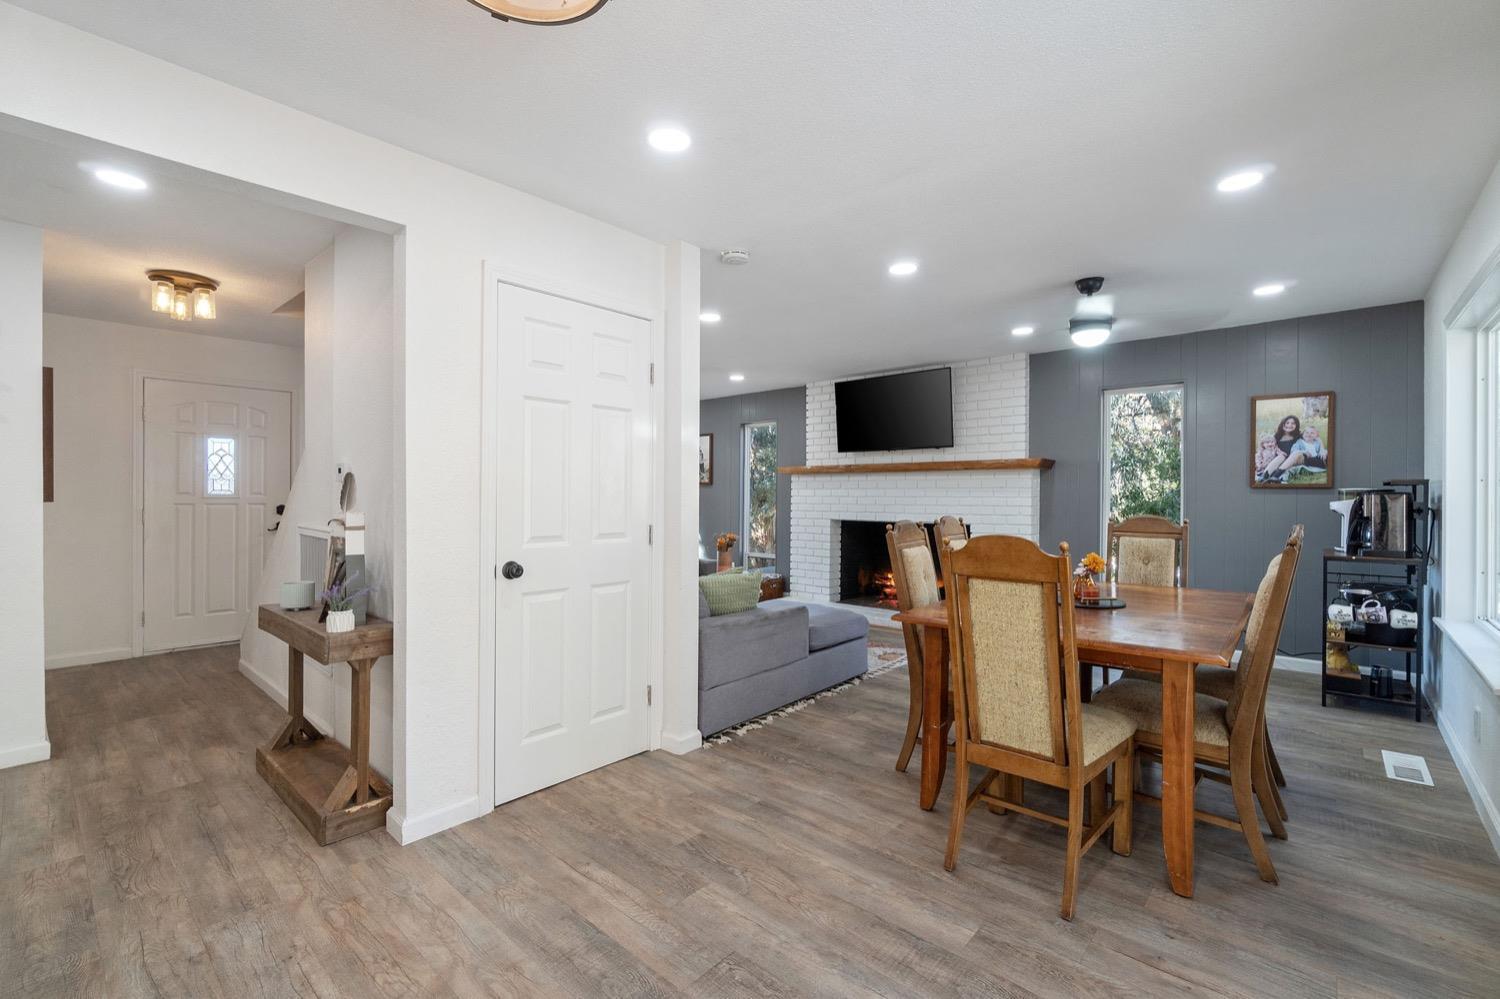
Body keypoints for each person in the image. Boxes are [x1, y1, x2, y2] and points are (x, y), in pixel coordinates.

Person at [1257, 414, 1327, 482]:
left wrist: (1322, 449)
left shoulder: (1298, 435)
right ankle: (1264, 476)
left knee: (1295, 453)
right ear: (1283, 424)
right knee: (1281, 456)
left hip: (1298, 458)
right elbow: (1265, 444)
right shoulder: (1277, 436)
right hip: (1284, 460)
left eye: (1293, 423)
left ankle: (1275, 476)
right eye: (1287, 423)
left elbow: (1316, 438)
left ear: (1296, 426)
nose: (1290, 425)